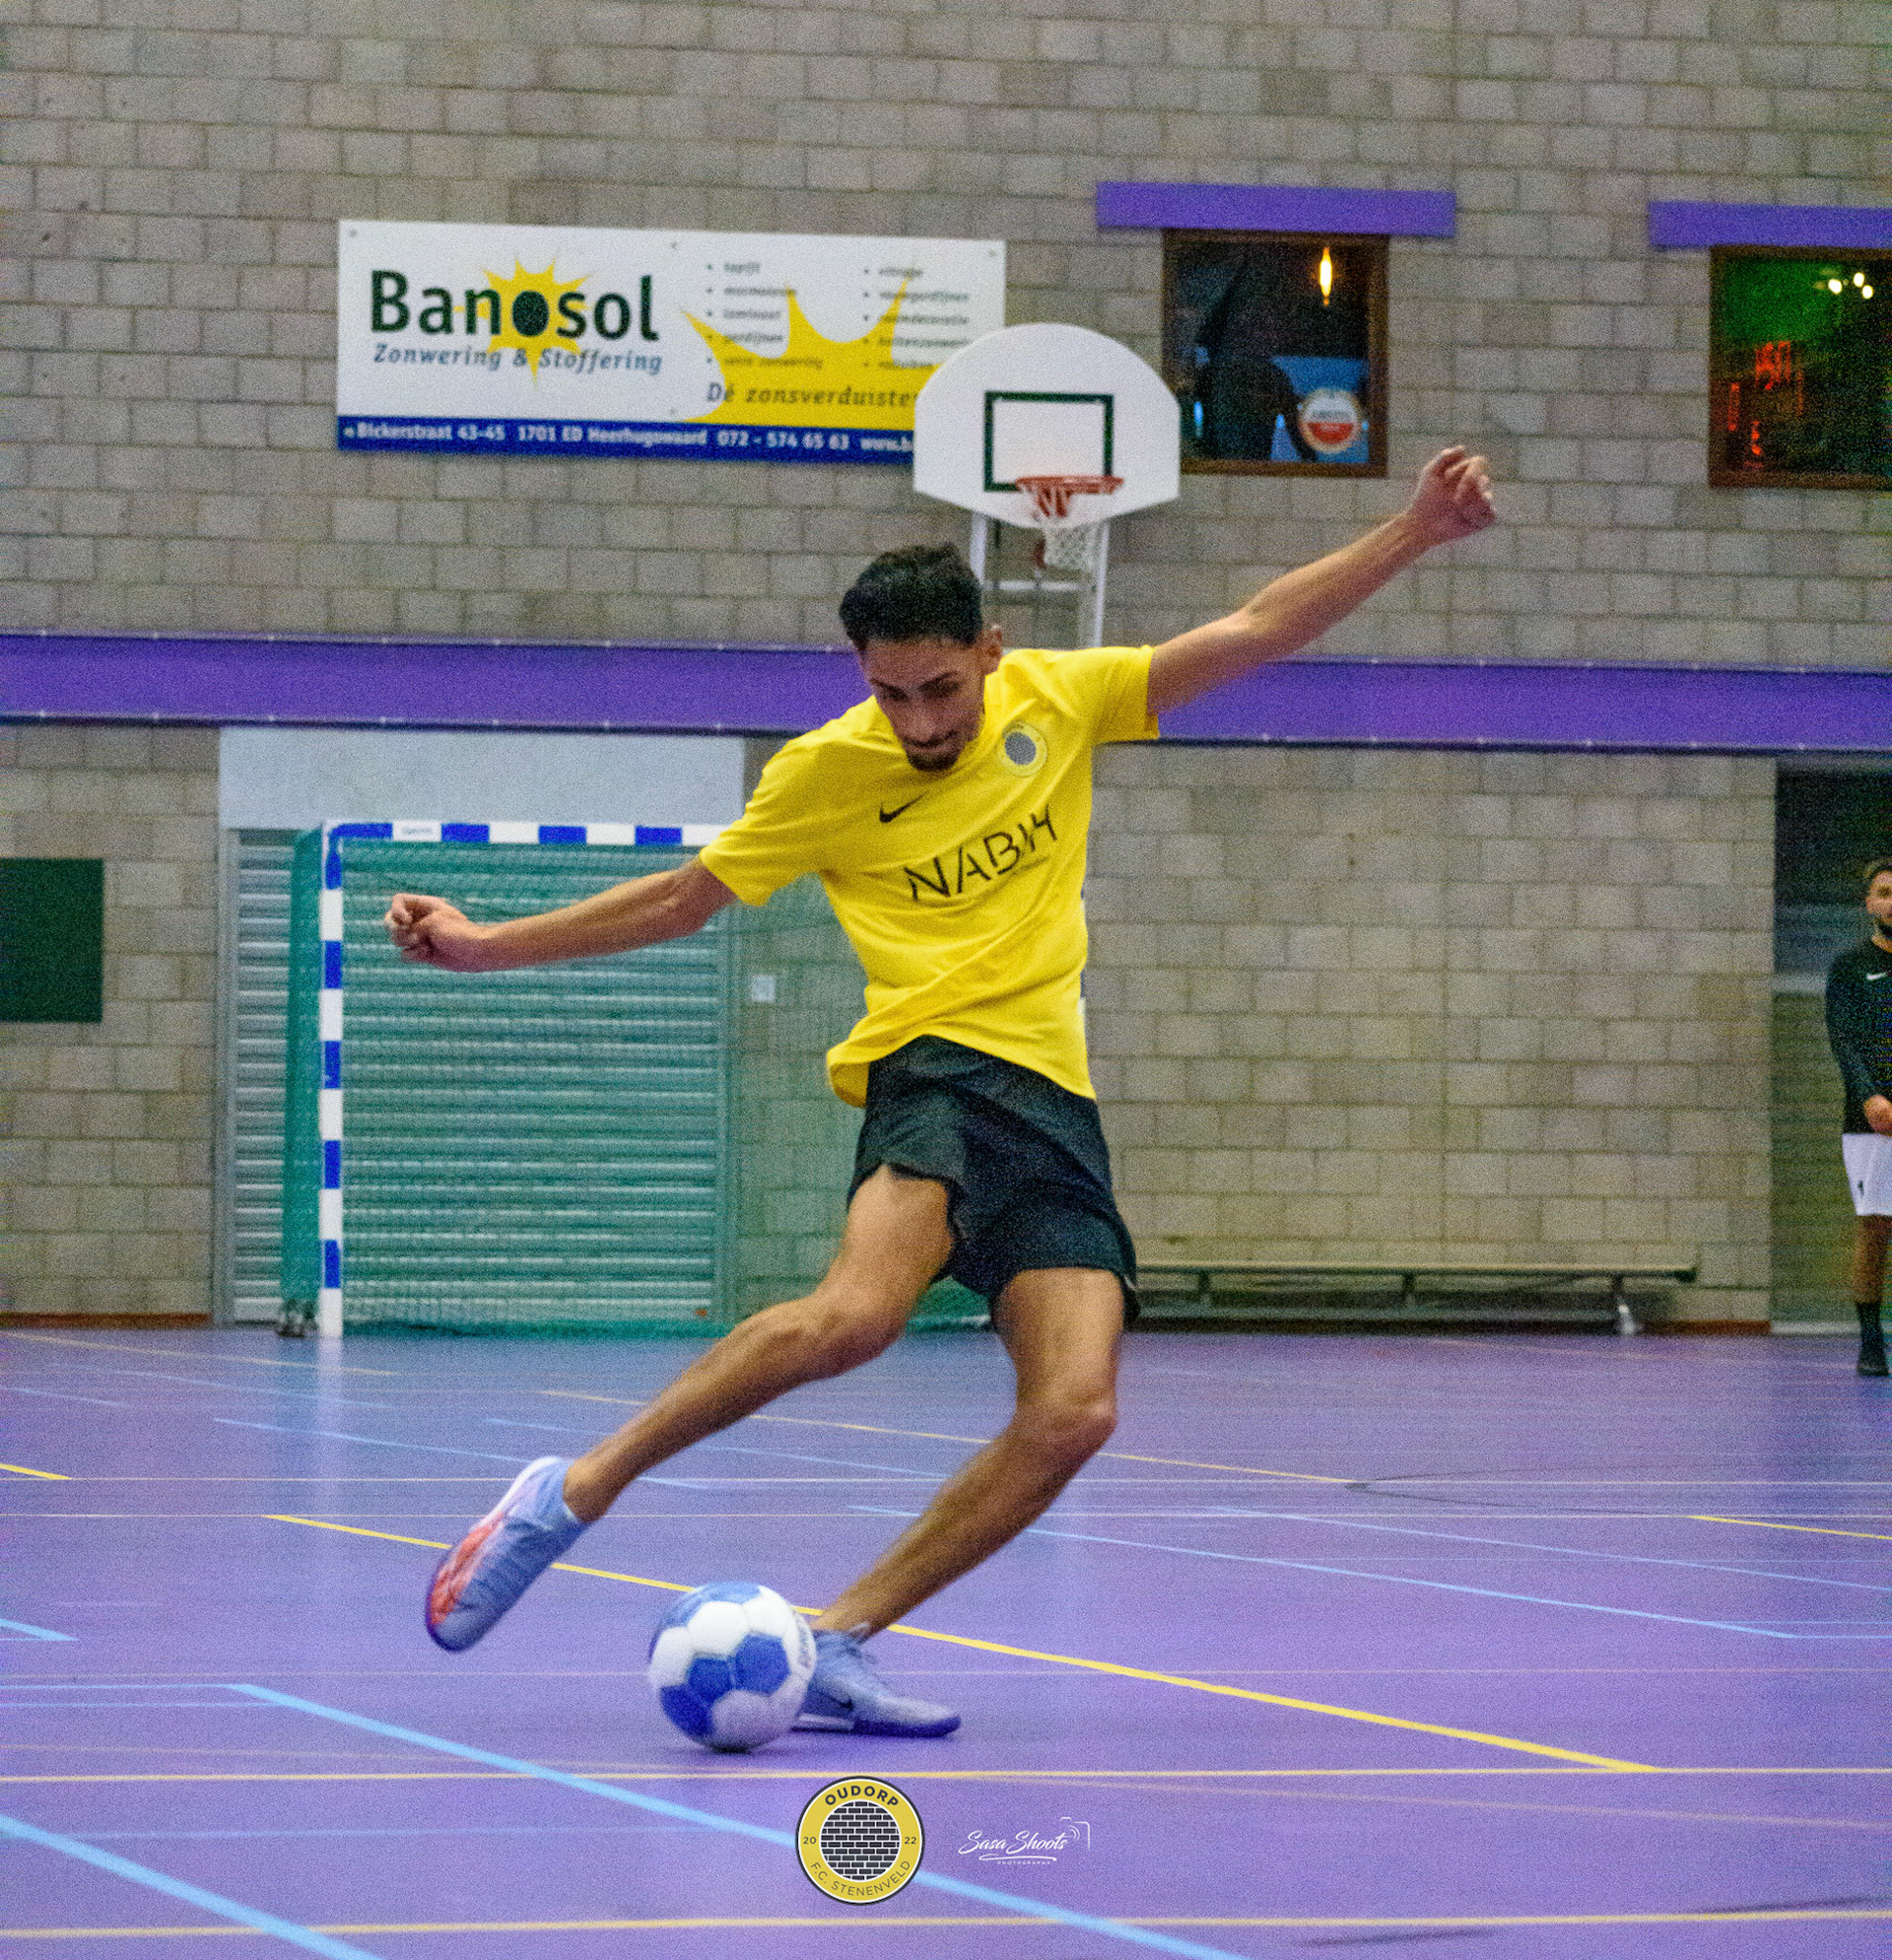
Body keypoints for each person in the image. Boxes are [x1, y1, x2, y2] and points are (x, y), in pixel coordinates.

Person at [385, 445, 1498, 1736]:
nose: (919, 723)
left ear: (992, 650)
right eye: (891, 694)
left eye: (941, 689)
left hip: (1054, 1100)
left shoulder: (1063, 701)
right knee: (855, 1319)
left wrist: (1414, 529)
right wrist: (484, 945)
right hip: (934, 1068)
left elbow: (1255, 628)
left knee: (1073, 1412)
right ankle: (573, 1490)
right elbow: (684, 899)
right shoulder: (823, 772)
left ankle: (839, 1634)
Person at [1825, 856, 1892, 1377]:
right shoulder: (1849, 966)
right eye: (1884, 893)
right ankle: (1871, 1342)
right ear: (1869, 903)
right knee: (1875, 1227)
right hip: (1873, 1123)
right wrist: (1870, 1096)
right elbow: (1843, 1039)